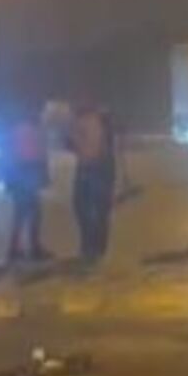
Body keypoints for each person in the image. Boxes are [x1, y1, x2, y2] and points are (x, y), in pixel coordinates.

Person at [69, 102, 115, 263]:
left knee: (85, 208)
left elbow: (76, 145)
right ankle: (96, 248)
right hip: (100, 167)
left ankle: (91, 249)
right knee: (98, 210)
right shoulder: (100, 121)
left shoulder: (84, 122)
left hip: (90, 167)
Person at [6, 104, 51, 263]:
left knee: (23, 212)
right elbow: (39, 154)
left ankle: (17, 247)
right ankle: (31, 246)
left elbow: (11, 155)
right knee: (32, 213)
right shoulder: (32, 131)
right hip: (27, 171)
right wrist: (44, 175)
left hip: (22, 171)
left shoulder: (16, 130)